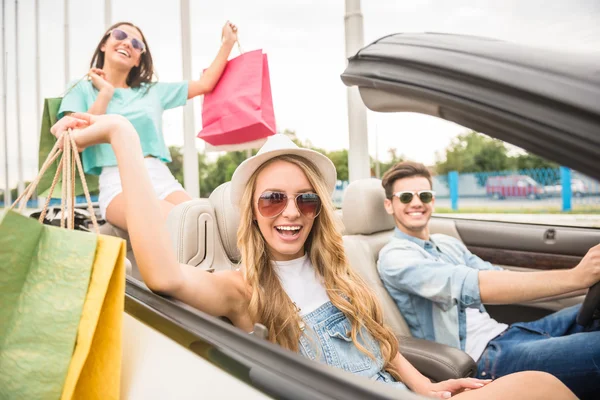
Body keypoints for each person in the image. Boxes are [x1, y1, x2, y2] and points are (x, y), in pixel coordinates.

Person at [50, 113, 577, 399]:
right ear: (252, 211)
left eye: (304, 198)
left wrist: (428, 386)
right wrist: (121, 134)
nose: (291, 212)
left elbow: (382, 343)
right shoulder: (243, 289)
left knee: (541, 385)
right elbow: (162, 275)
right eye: (273, 198)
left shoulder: (336, 267)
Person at [377, 161, 600, 399]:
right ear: (389, 205)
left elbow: (497, 275)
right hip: (484, 358)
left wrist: (583, 279)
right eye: (405, 197)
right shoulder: (395, 256)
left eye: (424, 195)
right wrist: (576, 277)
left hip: (509, 334)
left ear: (432, 200)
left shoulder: (446, 243)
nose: (416, 202)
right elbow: (473, 285)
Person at [58, 21, 239, 230]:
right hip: (117, 180)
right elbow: (75, 140)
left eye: (136, 44)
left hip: (160, 176)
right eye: (119, 35)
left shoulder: (151, 91)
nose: (127, 43)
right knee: (177, 225)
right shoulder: (80, 88)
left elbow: (205, 84)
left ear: (138, 60)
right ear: (104, 45)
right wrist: (105, 93)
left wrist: (228, 43)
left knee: (208, 226)